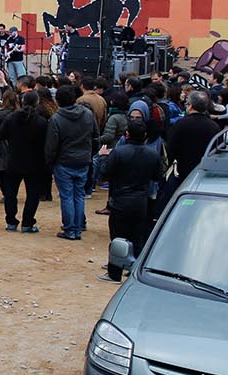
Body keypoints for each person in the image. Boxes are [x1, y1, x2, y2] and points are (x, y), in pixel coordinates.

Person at [99, 116, 164, 282]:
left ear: (127, 134)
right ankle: (134, 270)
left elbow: (105, 173)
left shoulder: (119, 152)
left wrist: (103, 157)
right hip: (141, 199)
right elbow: (158, 176)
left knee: (118, 237)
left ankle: (115, 272)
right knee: (138, 236)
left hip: (121, 198)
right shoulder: (152, 154)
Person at [46, 83, 97, 241]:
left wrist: (50, 161)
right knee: (79, 195)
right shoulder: (87, 114)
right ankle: (78, 227)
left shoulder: (56, 119)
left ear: (58, 100)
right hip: (83, 159)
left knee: (67, 196)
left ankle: (70, 229)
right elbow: (95, 135)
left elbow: (51, 145)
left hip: (64, 161)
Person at [0, 91, 51, 233]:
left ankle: (11, 221)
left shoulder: (11, 118)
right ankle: (27, 223)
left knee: (10, 193)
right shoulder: (41, 122)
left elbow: (0, 134)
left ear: (22, 101)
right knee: (32, 194)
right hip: (34, 161)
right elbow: (47, 142)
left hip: (14, 159)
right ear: (37, 103)